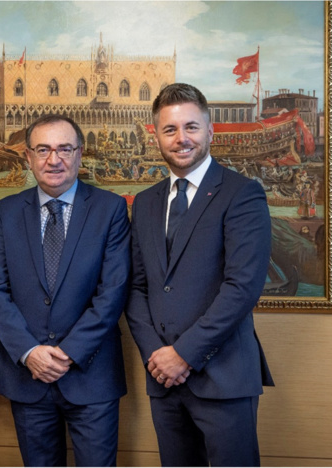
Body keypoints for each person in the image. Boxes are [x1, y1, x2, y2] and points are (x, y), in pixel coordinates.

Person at [125, 83, 274, 466]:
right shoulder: (145, 202)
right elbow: (137, 288)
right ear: (156, 135)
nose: (181, 138)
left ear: (210, 131)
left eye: (191, 127)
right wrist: (156, 357)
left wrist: (184, 355)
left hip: (223, 378)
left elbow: (242, 288)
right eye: (170, 129)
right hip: (163, 380)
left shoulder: (242, 194)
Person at [0, 114, 130, 467]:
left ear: (80, 154)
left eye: (64, 149)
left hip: (91, 375)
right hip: (27, 376)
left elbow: (113, 292)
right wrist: (29, 351)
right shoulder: (6, 211)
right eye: (43, 150)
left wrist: (68, 353)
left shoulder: (110, 210)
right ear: (29, 157)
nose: (54, 159)